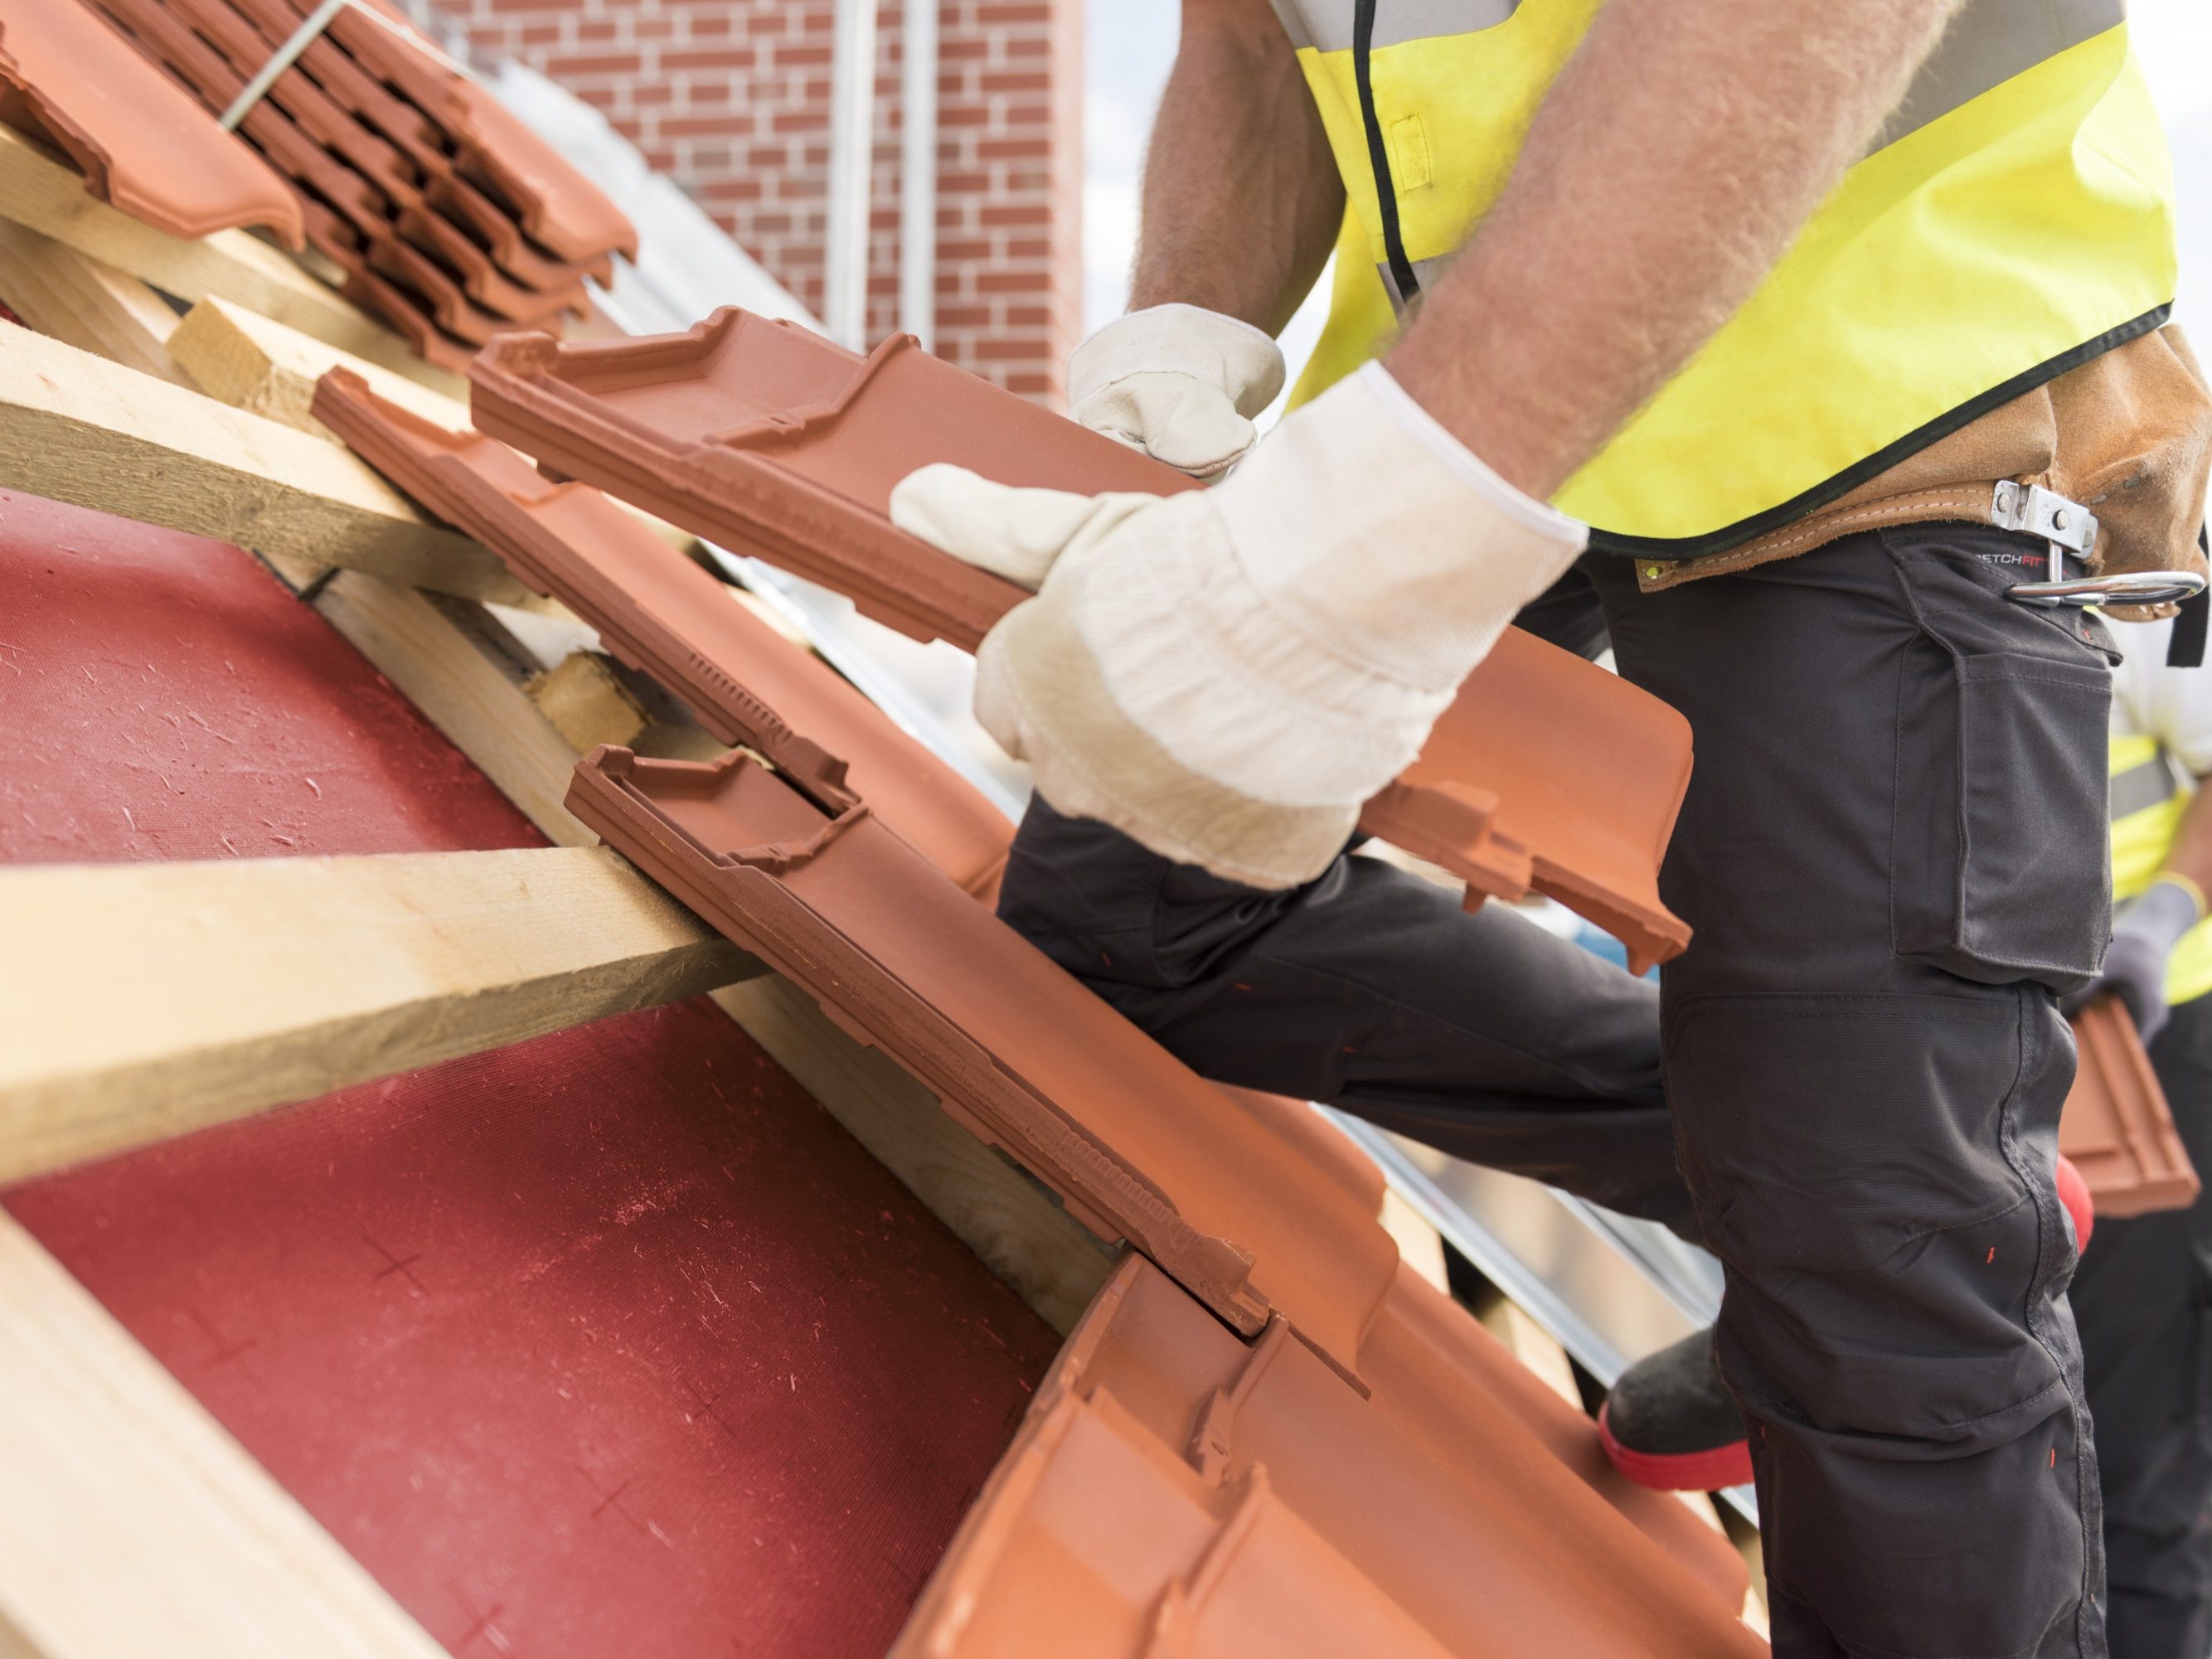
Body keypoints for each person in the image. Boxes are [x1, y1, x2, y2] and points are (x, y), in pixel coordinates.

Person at [890, 2, 2212, 1653]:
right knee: (1129, 901)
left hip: (1870, 397)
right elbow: (1247, 36)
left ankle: (1852, 1183)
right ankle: (1807, 1162)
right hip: (1477, 388)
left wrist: (1391, 509)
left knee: (1877, 1294)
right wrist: (1175, 340)